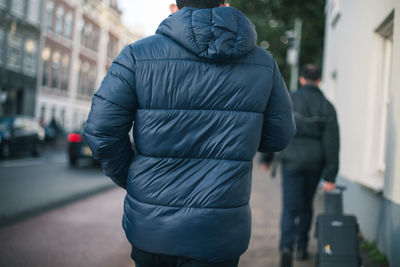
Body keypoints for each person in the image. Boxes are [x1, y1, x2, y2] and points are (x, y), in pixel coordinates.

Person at [83, 1, 296, 266]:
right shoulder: (264, 64)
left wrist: (132, 177)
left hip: (153, 228)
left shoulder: (137, 55)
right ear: (225, 4)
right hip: (219, 228)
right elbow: (280, 136)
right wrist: (240, 140)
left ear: (174, 8)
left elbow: (100, 130)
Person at [262, 64, 340, 267]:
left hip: (291, 160)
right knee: (306, 206)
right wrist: (331, 176)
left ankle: (286, 247)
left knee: (290, 207)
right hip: (315, 163)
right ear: (319, 80)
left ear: (302, 79)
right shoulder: (327, 106)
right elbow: (332, 143)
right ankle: (302, 248)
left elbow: (275, 127)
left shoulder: (290, 100)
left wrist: (267, 157)